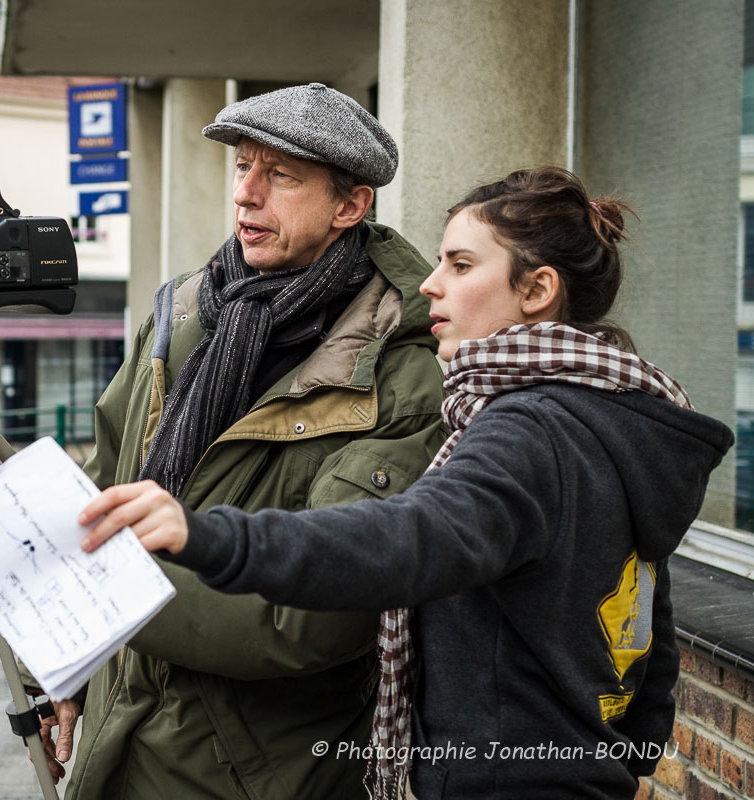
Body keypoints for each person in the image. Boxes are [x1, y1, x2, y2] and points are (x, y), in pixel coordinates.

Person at [78, 167, 734, 799]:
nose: (430, 284)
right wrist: (627, 758)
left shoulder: (528, 432)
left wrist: (208, 536)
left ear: (536, 290)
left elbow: (405, 537)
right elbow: (644, 615)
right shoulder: (609, 417)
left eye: (461, 265)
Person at [37, 83, 448, 800]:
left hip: (257, 773)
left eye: (280, 175)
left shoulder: (402, 374)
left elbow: (316, 619)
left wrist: (103, 599)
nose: (246, 195)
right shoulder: (183, 315)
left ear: (350, 206)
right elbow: (97, 497)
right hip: (116, 738)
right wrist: (57, 662)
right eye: (242, 166)